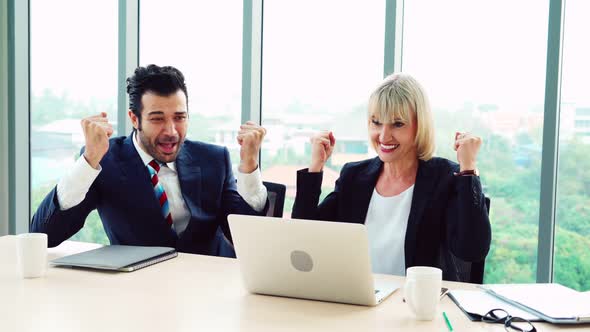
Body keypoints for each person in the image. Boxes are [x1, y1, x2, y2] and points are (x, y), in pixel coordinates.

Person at [31, 64, 268, 257]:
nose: (171, 131)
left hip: (211, 286)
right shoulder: (106, 161)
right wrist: (89, 160)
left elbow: (251, 240)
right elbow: (45, 235)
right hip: (140, 291)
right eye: (157, 119)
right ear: (134, 118)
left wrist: (249, 167)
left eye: (179, 117)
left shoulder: (214, 159)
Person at [292, 73, 491, 278]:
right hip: (358, 301)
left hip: (415, 305)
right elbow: (304, 238)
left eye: (397, 124)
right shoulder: (354, 176)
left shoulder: (444, 178)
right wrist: (316, 166)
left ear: (419, 125)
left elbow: (472, 250)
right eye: (376, 122)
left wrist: (468, 168)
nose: (384, 136)